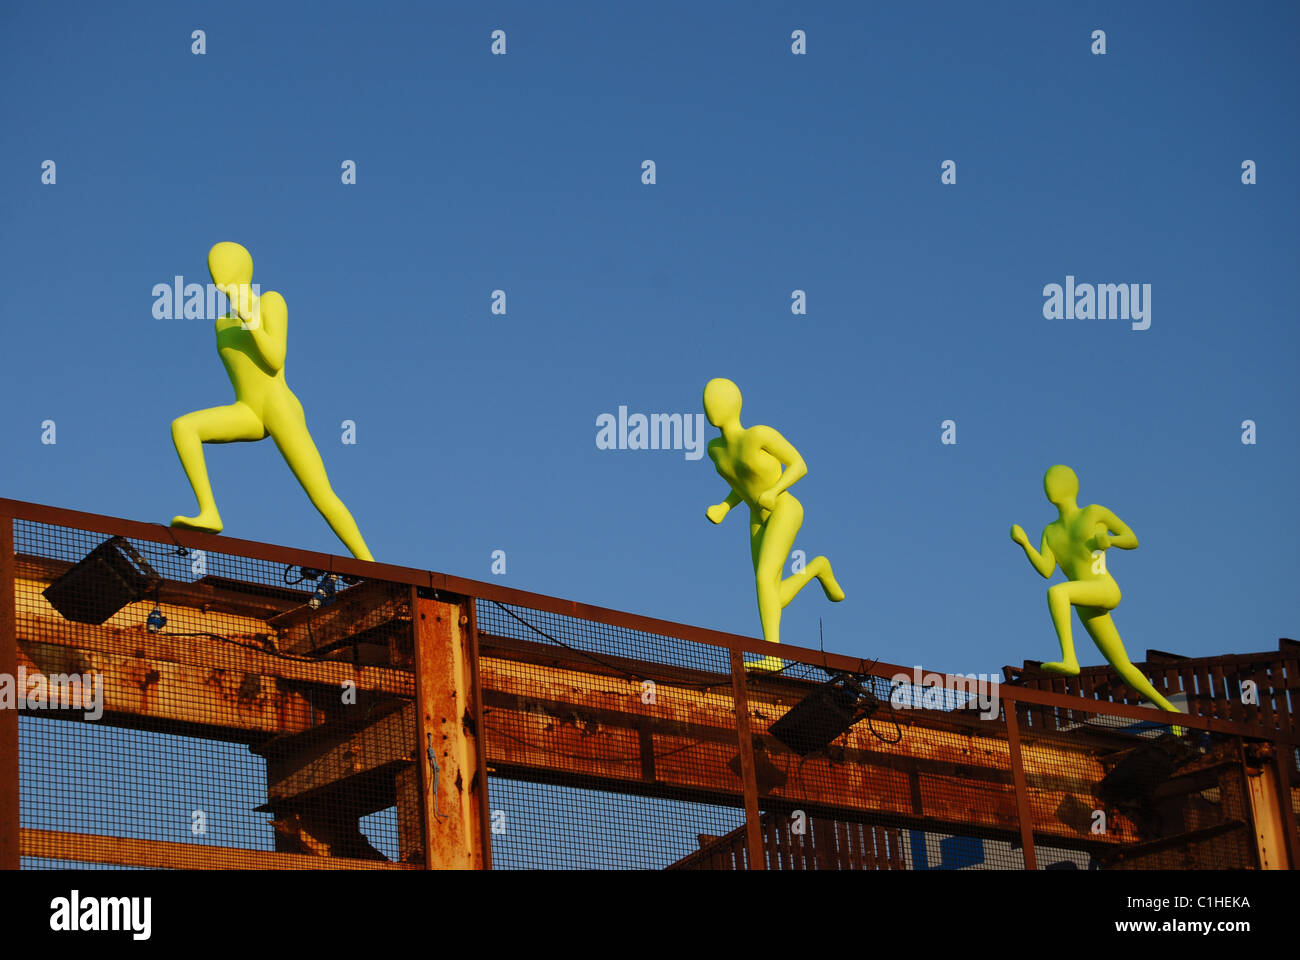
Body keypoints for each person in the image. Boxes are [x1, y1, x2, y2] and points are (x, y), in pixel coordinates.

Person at [169, 242, 373, 561]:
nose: (216, 276)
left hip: (278, 405)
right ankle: (209, 512)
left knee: (320, 492)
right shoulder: (221, 322)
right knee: (183, 427)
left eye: (221, 267)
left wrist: (249, 317)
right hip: (248, 409)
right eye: (212, 270)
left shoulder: (270, 301)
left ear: (240, 269)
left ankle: (368, 561)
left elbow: (275, 359)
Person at [1010, 465, 1177, 713]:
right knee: (1122, 664)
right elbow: (1046, 570)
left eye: (1054, 480)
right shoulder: (1050, 531)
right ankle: (1171, 712)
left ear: (1070, 485)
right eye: (1047, 482)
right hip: (1084, 600)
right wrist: (1025, 544)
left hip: (1102, 587)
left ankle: (1070, 659)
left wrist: (1110, 540)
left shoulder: (1093, 513)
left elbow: (1131, 538)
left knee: (1058, 592)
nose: (1049, 486)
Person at [703, 378, 843, 670]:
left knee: (764, 577)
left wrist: (774, 490)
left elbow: (799, 465)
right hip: (756, 516)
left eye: (717, 399)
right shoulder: (715, 450)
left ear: (734, 404)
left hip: (784, 508)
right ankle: (816, 567)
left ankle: (773, 657)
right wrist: (725, 507)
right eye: (707, 401)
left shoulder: (759, 435)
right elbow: (742, 485)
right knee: (771, 594)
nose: (711, 406)